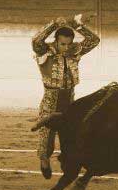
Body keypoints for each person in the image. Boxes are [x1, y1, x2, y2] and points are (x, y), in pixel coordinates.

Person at [32, 14, 100, 178]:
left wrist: (78, 25)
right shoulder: (45, 50)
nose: (66, 47)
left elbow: (94, 40)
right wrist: (54, 24)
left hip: (69, 97)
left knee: (70, 131)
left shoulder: (74, 50)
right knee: (47, 131)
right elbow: (36, 41)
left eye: (69, 44)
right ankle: (44, 160)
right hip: (51, 97)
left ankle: (68, 161)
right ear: (56, 40)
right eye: (62, 44)